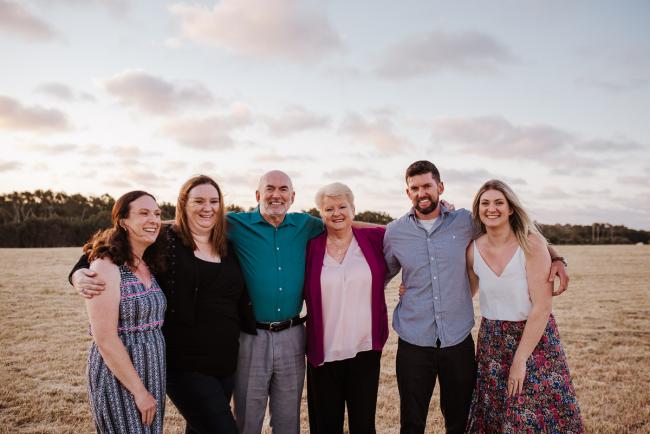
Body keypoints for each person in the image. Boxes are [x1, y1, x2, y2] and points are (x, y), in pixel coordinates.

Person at [384, 161, 569, 434]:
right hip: (413, 340)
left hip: (457, 341)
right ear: (407, 192)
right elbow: (380, 272)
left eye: (427, 186)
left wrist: (557, 257)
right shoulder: (395, 232)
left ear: (440, 187)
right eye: (415, 188)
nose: (421, 192)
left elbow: (517, 232)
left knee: (460, 419)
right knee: (411, 421)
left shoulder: (466, 222)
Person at [72, 175, 256, 433]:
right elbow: (103, 249)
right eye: (199, 201)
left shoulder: (228, 242)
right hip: (185, 365)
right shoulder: (166, 237)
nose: (208, 207)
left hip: (224, 364)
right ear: (183, 204)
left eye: (214, 201)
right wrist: (78, 272)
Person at [464, 179, 583, 432]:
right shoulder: (473, 249)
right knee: (496, 414)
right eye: (485, 203)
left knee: (533, 414)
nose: (491, 208)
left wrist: (520, 359)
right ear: (478, 210)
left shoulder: (531, 244)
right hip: (492, 341)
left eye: (499, 202)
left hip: (533, 338)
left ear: (510, 209)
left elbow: (542, 307)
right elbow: (465, 291)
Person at [303, 182, 388, 434]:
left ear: (353, 208)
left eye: (342, 206)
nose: (336, 213)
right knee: (325, 425)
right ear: (321, 213)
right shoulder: (311, 247)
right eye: (329, 209)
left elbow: (409, 237)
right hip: (324, 351)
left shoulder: (374, 239)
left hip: (364, 348)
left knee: (363, 424)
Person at [83, 190, 167, 433]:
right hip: (120, 376)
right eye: (143, 213)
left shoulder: (147, 262)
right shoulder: (106, 266)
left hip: (152, 370)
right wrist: (139, 391)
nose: (153, 219)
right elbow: (105, 337)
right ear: (122, 221)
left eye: (157, 214)